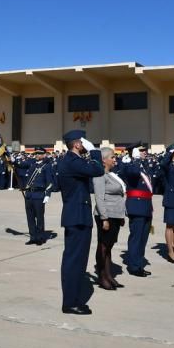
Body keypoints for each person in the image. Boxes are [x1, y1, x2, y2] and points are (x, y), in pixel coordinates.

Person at [58, 130, 104, 315]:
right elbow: (98, 171)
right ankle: (70, 302)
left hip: (78, 215)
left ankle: (73, 298)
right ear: (77, 145)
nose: (86, 145)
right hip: (77, 217)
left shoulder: (72, 161)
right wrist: (94, 152)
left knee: (77, 260)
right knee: (74, 261)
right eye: (84, 142)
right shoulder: (72, 161)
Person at [116, 142, 154, 277]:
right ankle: (133, 266)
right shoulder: (129, 165)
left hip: (146, 205)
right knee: (136, 238)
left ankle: (139, 264)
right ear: (134, 152)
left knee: (143, 238)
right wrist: (135, 159)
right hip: (136, 206)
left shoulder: (143, 165)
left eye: (144, 150)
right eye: (141, 150)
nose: (145, 152)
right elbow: (132, 173)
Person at [93, 147, 126, 290]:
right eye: (112, 157)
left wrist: (122, 214)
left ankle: (108, 275)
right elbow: (99, 198)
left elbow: (120, 195)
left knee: (109, 246)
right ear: (104, 160)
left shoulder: (111, 174)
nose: (115, 159)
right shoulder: (100, 175)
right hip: (106, 216)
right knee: (103, 246)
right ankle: (102, 277)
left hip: (116, 215)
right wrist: (104, 218)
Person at [15, 148, 53, 245]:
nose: (36, 155)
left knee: (39, 218)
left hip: (39, 194)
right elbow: (21, 165)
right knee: (30, 217)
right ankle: (33, 237)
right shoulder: (32, 163)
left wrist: (47, 195)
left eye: (39, 154)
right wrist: (12, 160)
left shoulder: (47, 166)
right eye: (36, 153)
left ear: (44, 155)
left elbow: (49, 181)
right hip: (29, 194)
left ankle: (40, 238)